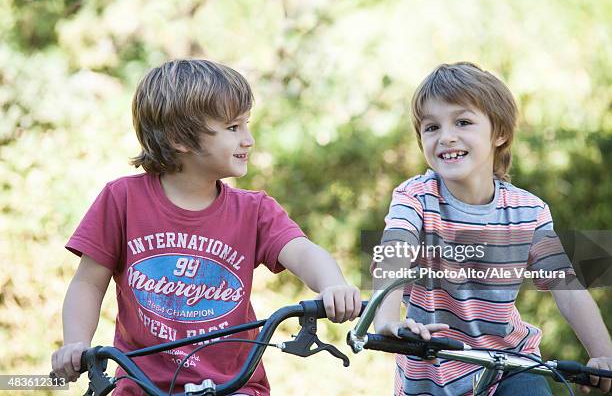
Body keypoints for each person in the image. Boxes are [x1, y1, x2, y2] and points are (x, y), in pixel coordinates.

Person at [51, 59, 361, 396]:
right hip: (141, 386)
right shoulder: (122, 199)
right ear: (178, 138)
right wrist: (76, 344)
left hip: (234, 386)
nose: (249, 139)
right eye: (233, 128)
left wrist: (333, 284)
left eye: (246, 125)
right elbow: (88, 284)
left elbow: (301, 251)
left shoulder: (254, 210)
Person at [373, 62, 612, 395]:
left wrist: (604, 355)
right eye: (431, 127)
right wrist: (385, 320)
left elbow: (567, 289)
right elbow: (393, 255)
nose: (446, 136)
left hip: (510, 364)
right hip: (431, 371)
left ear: (499, 133)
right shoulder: (414, 198)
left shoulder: (529, 211)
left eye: (463, 122)